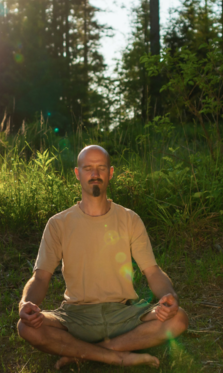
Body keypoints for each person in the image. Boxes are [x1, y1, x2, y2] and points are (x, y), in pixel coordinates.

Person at [17, 145, 189, 369]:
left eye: (101, 168)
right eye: (88, 168)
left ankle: (83, 353)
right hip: (76, 317)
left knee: (178, 319)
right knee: (26, 327)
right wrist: (25, 304)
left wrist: (168, 296)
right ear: (78, 174)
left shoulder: (129, 219)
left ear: (111, 173)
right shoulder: (59, 223)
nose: (95, 174)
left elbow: (153, 271)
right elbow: (40, 278)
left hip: (124, 314)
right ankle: (117, 356)